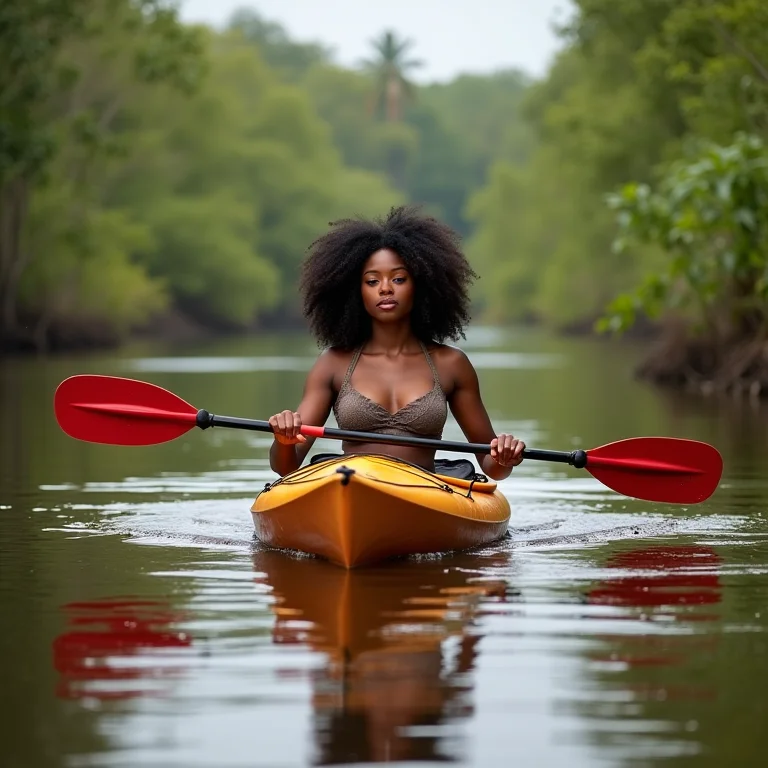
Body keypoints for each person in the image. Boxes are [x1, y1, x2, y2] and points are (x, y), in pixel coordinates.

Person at [268, 205, 525, 480]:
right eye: (372, 281)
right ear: (356, 292)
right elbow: (286, 467)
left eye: (399, 279)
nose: (385, 288)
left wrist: (503, 455)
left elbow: (491, 467)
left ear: (422, 284)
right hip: (351, 486)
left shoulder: (451, 365)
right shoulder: (333, 363)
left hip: (426, 493)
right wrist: (284, 440)